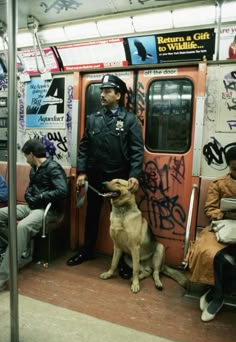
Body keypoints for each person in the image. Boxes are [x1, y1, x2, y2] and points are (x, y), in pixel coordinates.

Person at [67, 74, 144, 278]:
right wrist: (82, 172)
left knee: (124, 221)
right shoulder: (93, 119)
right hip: (95, 177)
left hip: (119, 181)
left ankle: (123, 262)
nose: (103, 94)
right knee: (91, 215)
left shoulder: (129, 120)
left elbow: (137, 150)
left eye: (108, 91)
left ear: (118, 95)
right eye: (102, 90)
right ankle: (88, 250)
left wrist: (135, 175)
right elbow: (84, 148)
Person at [0, 139, 68, 292]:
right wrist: (29, 196)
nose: (25, 159)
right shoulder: (34, 169)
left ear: (31, 154)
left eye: (26, 156)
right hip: (30, 207)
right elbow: (31, 189)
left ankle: (3, 277)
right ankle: (18, 248)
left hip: (46, 210)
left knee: (22, 227)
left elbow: (63, 191)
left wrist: (41, 197)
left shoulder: (53, 168)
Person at [185, 146, 236, 322]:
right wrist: (224, 213)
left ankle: (215, 293)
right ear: (229, 166)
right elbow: (210, 208)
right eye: (234, 168)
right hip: (222, 226)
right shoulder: (219, 184)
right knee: (210, 253)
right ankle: (219, 295)